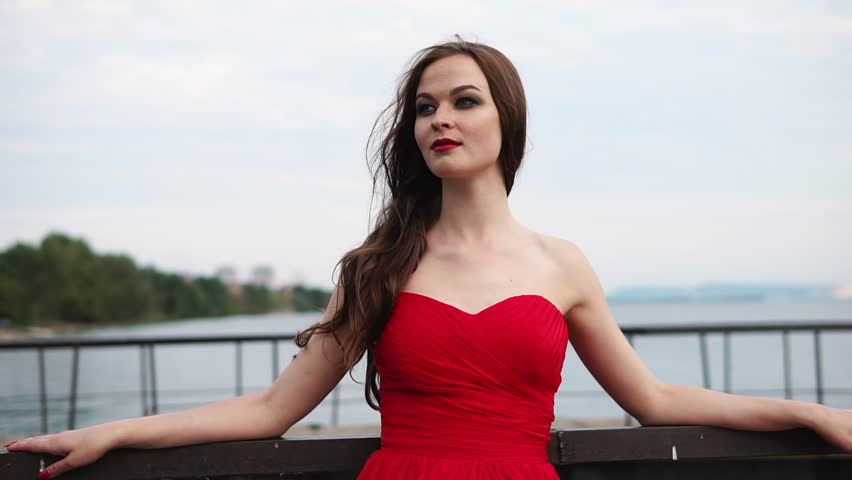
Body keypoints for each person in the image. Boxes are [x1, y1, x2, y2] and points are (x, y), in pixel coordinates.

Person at [5, 37, 852, 479]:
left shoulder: (563, 264)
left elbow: (658, 398)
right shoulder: (377, 265)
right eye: (423, 107)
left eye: (463, 100)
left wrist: (807, 413)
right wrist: (114, 432)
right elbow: (269, 413)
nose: (439, 118)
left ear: (505, 122)